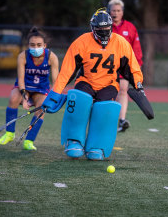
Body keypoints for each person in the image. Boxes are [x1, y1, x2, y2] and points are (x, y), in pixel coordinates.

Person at [42, 8, 144, 160]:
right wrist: (55, 93)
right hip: (86, 81)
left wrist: (139, 86)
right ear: (93, 28)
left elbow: (133, 69)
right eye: (100, 28)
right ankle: (74, 140)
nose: (103, 31)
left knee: (106, 109)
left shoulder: (121, 43)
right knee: (79, 100)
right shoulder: (81, 42)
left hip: (109, 84)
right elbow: (67, 71)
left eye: (106, 28)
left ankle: (97, 145)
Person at [0, 27, 59, 150]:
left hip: (41, 89)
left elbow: (56, 81)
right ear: (28, 45)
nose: (35, 48)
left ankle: (29, 141)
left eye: (39, 45)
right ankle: (9, 133)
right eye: (32, 45)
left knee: (41, 109)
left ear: (45, 45)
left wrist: (54, 97)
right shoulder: (23, 56)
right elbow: (20, 79)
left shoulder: (52, 57)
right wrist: (25, 98)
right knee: (13, 97)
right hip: (24, 87)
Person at [108, 0, 144, 132]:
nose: (115, 13)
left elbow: (136, 48)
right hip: (107, 65)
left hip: (124, 66)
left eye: (118, 11)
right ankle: (108, 119)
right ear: (109, 12)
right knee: (108, 91)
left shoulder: (130, 27)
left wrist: (137, 65)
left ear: (122, 12)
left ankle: (121, 120)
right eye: (113, 10)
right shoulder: (105, 26)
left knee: (123, 90)